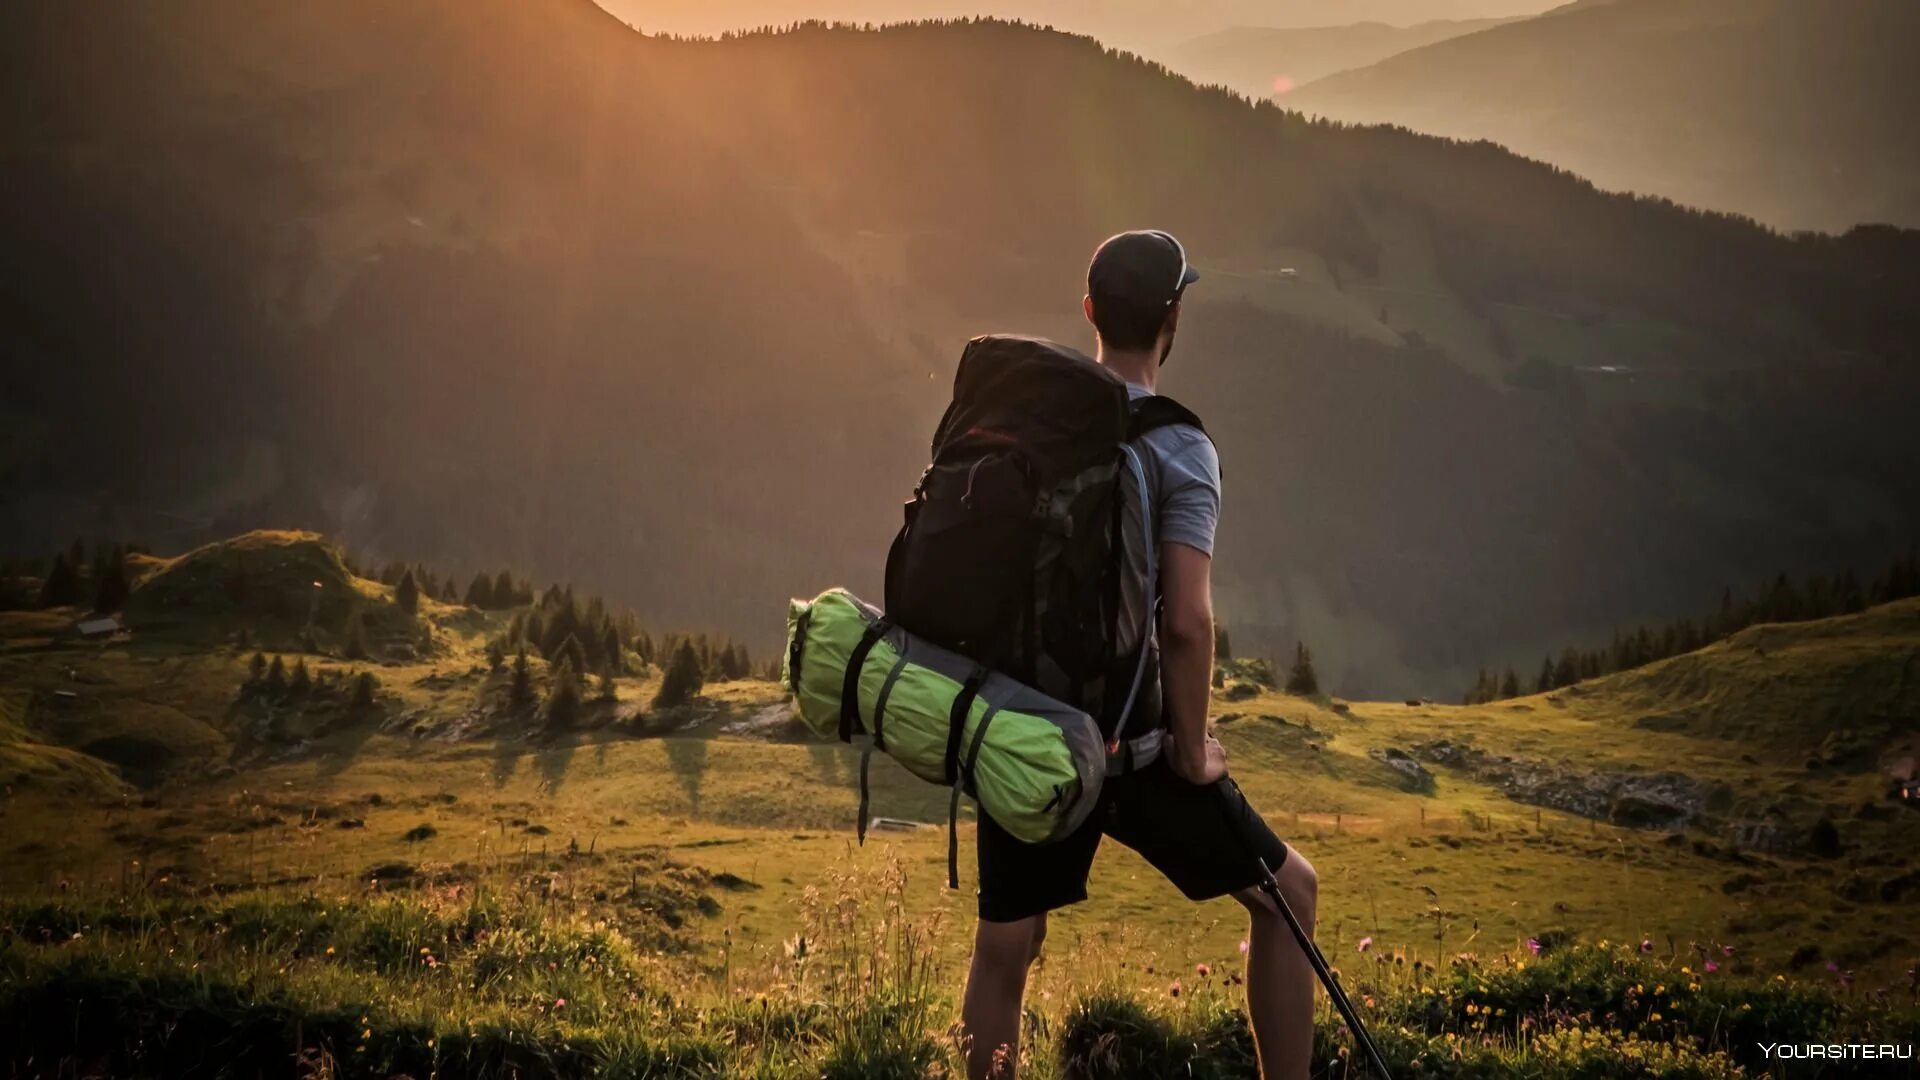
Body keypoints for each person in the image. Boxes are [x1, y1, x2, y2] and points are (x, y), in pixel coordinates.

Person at [960, 231, 1318, 1080]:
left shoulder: (1025, 420)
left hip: (1031, 731)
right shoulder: (1179, 446)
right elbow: (1188, 623)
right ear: (1173, 319)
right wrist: (1191, 752)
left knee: (1007, 946)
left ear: (1089, 312)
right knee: (1288, 897)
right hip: (1136, 746)